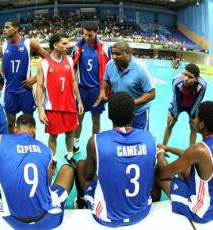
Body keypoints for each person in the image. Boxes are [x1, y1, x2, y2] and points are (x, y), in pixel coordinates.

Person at [75, 92, 157, 227]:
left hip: (107, 217)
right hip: (142, 211)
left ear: (109, 115)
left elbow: (88, 175)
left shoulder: (96, 141)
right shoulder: (149, 138)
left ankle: (82, 201)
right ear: (133, 114)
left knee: (80, 165)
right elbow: (151, 169)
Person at [156, 101, 213, 223]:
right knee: (183, 167)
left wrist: (160, 153)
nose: (193, 120)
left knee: (157, 174)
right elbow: (189, 156)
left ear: (202, 124)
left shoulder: (199, 150)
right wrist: (168, 148)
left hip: (202, 211)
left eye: (196, 117)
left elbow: (164, 173)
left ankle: (153, 210)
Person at [0, 114, 74, 229]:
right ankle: (80, 201)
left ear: (15, 129)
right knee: (67, 169)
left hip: (12, 218)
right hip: (46, 219)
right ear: (34, 130)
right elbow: (46, 184)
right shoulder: (46, 150)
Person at [36, 33, 84, 163]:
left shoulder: (69, 60)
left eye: (67, 43)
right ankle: (53, 159)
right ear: (55, 45)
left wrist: (79, 101)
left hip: (69, 105)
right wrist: (40, 110)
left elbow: (73, 81)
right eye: (64, 43)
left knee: (70, 132)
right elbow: (39, 87)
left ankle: (69, 156)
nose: (67, 46)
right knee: (53, 136)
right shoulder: (43, 64)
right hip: (52, 107)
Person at [1, 20, 49, 134]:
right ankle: (13, 148)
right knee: (11, 124)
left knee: (29, 123)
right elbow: (3, 68)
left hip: (25, 91)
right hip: (9, 92)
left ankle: (32, 146)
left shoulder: (29, 43)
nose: (4, 29)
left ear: (16, 28)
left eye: (7, 27)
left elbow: (49, 60)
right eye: (4, 27)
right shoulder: (3, 46)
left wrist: (36, 77)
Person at [94, 41, 155, 130]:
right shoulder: (110, 64)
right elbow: (106, 80)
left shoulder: (141, 69)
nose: (114, 57)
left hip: (138, 113)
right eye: (113, 53)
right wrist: (102, 91)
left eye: (118, 54)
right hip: (120, 112)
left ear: (128, 53)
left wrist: (130, 103)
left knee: (139, 140)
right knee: (120, 139)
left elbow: (151, 94)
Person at [71, 21, 111, 153]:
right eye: (85, 34)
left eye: (90, 35)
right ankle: (75, 144)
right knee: (79, 117)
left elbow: (110, 70)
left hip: (96, 91)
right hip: (82, 89)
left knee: (96, 119)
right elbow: (72, 67)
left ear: (96, 33)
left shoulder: (105, 49)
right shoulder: (78, 47)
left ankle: (94, 144)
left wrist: (106, 90)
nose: (87, 37)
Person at [162, 63, 207, 146]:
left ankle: (191, 151)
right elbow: (175, 100)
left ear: (196, 79)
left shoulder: (202, 85)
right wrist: (173, 115)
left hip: (192, 105)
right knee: (170, 123)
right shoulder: (176, 82)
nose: (186, 79)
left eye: (190, 77)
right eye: (185, 75)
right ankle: (163, 148)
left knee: (194, 127)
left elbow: (198, 101)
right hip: (178, 103)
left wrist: (193, 116)